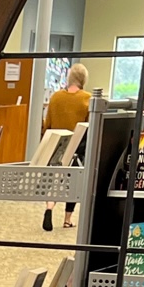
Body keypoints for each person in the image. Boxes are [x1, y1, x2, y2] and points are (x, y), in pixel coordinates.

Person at [41, 63, 90, 230]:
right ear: (84, 79)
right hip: (77, 147)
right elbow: (89, 126)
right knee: (72, 183)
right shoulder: (87, 99)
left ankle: (49, 207)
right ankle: (67, 219)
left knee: (54, 179)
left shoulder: (55, 97)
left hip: (56, 144)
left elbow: (47, 124)